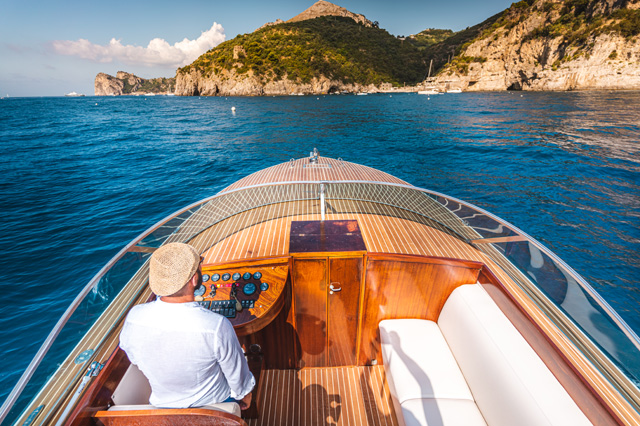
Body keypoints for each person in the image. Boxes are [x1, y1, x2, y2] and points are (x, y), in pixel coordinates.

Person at [120, 242, 254, 409]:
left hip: (161, 406)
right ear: (194, 278)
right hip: (214, 405)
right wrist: (245, 395)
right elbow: (238, 378)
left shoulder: (134, 317)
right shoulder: (216, 326)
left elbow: (134, 357)